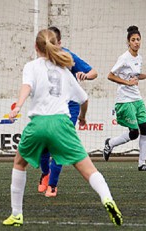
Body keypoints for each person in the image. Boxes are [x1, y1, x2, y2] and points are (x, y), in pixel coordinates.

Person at [3, 29, 122, 227]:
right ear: (55, 44)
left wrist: (19, 106)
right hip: (61, 124)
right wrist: (83, 117)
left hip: (38, 124)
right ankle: (107, 199)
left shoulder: (31, 66)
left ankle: (16, 214)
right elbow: (84, 99)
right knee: (88, 169)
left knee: (19, 163)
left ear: (36, 47)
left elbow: (27, 87)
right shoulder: (65, 72)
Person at [38, 26, 98, 197]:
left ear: (59, 43)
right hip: (49, 106)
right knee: (43, 147)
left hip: (69, 107)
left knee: (59, 145)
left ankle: (52, 185)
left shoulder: (68, 57)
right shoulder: (41, 60)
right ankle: (45, 173)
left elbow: (94, 72)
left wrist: (85, 75)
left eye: (53, 42)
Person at [103, 26, 146, 171]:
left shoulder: (139, 58)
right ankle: (110, 143)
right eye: (133, 40)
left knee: (145, 129)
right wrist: (127, 83)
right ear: (128, 42)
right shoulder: (124, 58)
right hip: (125, 99)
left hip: (137, 98)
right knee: (134, 133)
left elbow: (135, 75)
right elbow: (110, 75)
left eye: (138, 39)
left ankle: (142, 163)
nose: (136, 42)